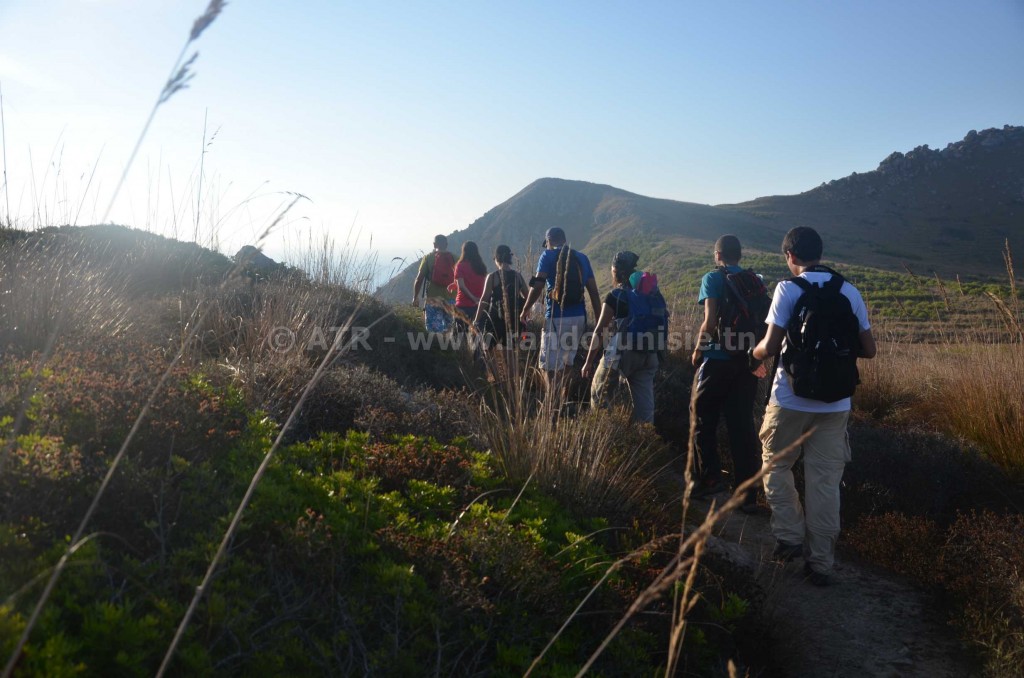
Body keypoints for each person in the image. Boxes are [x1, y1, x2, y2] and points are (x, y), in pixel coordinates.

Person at [751, 226, 877, 586]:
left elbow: (770, 347)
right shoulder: (849, 291)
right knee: (825, 483)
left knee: (775, 464)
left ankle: (789, 536)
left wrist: (753, 352)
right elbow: (869, 350)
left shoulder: (787, 289)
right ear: (820, 253)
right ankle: (820, 563)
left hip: (789, 398)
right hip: (836, 404)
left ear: (790, 256)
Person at [690, 235, 768, 514]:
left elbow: (710, 321)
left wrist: (698, 350)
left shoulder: (713, 278)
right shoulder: (754, 281)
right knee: (742, 427)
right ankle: (746, 497)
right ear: (739, 254)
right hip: (747, 362)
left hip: (718, 359)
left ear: (718, 254)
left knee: (702, 418)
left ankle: (709, 480)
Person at [519, 227, 601, 395]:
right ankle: (562, 398)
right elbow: (593, 291)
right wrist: (600, 319)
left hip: (556, 317)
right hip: (579, 317)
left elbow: (538, 286)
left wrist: (525, 310)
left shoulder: (547, 256)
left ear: (549, 242)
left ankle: (552, 401)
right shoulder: (581, 258)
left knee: (548, 365)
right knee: (567, 361)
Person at [581, 251, 661, 423]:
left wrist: (588, 362)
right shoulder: (650, 294)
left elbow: (599, 330)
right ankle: (645, 439)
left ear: (616, 270)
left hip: (623, 354)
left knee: (598, 394)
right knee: (645, 408)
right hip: (650, 354)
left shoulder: (616, 296)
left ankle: (605, 436)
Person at [474, 245, 527, 379]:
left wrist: (476, 319)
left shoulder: (493, 277)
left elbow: (484, 300)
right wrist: (525, 315)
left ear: (496, 259)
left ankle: (498, 380)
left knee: (488, 348)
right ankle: (513, 383)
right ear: (509, 258)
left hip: (495, 320)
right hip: (514, 320)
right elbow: (527, 297)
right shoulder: (518, 276)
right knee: (510, 352)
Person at [412, 235, 456, 333]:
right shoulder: (455, 258)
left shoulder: (428, 258)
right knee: (451, 331)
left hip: (433, 300)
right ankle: (449, 348)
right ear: (447, 244)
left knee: (434, 332)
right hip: (451, 300)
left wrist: (415, 297)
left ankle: (436, 347)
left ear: (434, 244)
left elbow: (419, 279)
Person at [450, 241, 488, 335]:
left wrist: (472, 298)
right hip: (479, 307)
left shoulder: (460, 266)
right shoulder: (481, 267)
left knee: (459, 337)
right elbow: (479, 283)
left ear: (464, 251)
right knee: (477, 337)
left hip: (463, 305)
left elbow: (462, 286)